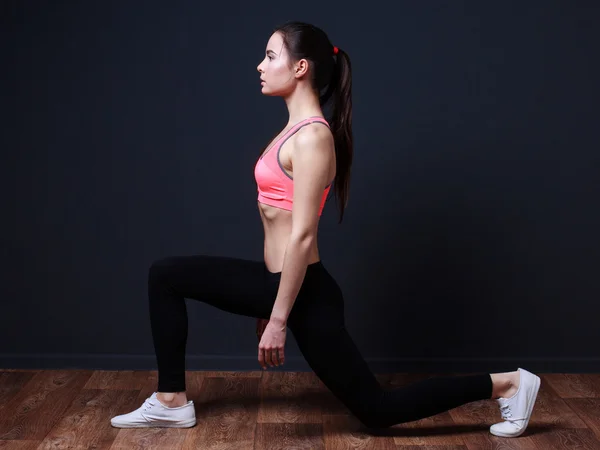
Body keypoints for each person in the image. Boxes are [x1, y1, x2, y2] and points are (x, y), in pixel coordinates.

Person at [110, 21, 540, 438]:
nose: (259, 65)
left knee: (378, 410)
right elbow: (275, 227)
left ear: (301, 68)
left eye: (270, 55)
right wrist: (266, 302)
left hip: (306, 294)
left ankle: (509, 384)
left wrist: (279, 318)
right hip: (277, 282)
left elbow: (301, 236)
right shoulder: (292, 131)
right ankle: (170, 402)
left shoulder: (313, 137)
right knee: (165, 274)